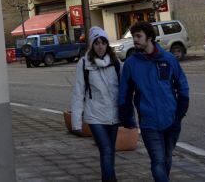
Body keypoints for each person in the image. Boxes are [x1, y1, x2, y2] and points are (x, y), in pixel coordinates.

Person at [119, 21, 190, 182]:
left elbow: (183, 87)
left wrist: (179, 115)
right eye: (133, 36)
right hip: (149, 122)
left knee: (166, 158)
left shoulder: (168, 59)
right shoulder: (131, 64)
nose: (135, 40)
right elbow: (125, 93)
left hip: (171, 121)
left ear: (149, 37)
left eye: (138, 36)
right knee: (157, 161)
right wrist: (126, 118)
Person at [70, 26, 124, 182]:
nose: (100, 46)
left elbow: (124, 89)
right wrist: (76, 122)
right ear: (92, 45)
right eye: (97, 43)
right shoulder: (84, 63)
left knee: (109, 151)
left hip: (114, 114)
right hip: (95, 115)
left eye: (103, 43)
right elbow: (78, 92)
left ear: (107, 44)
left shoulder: (116, 62)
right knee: (106, 150)